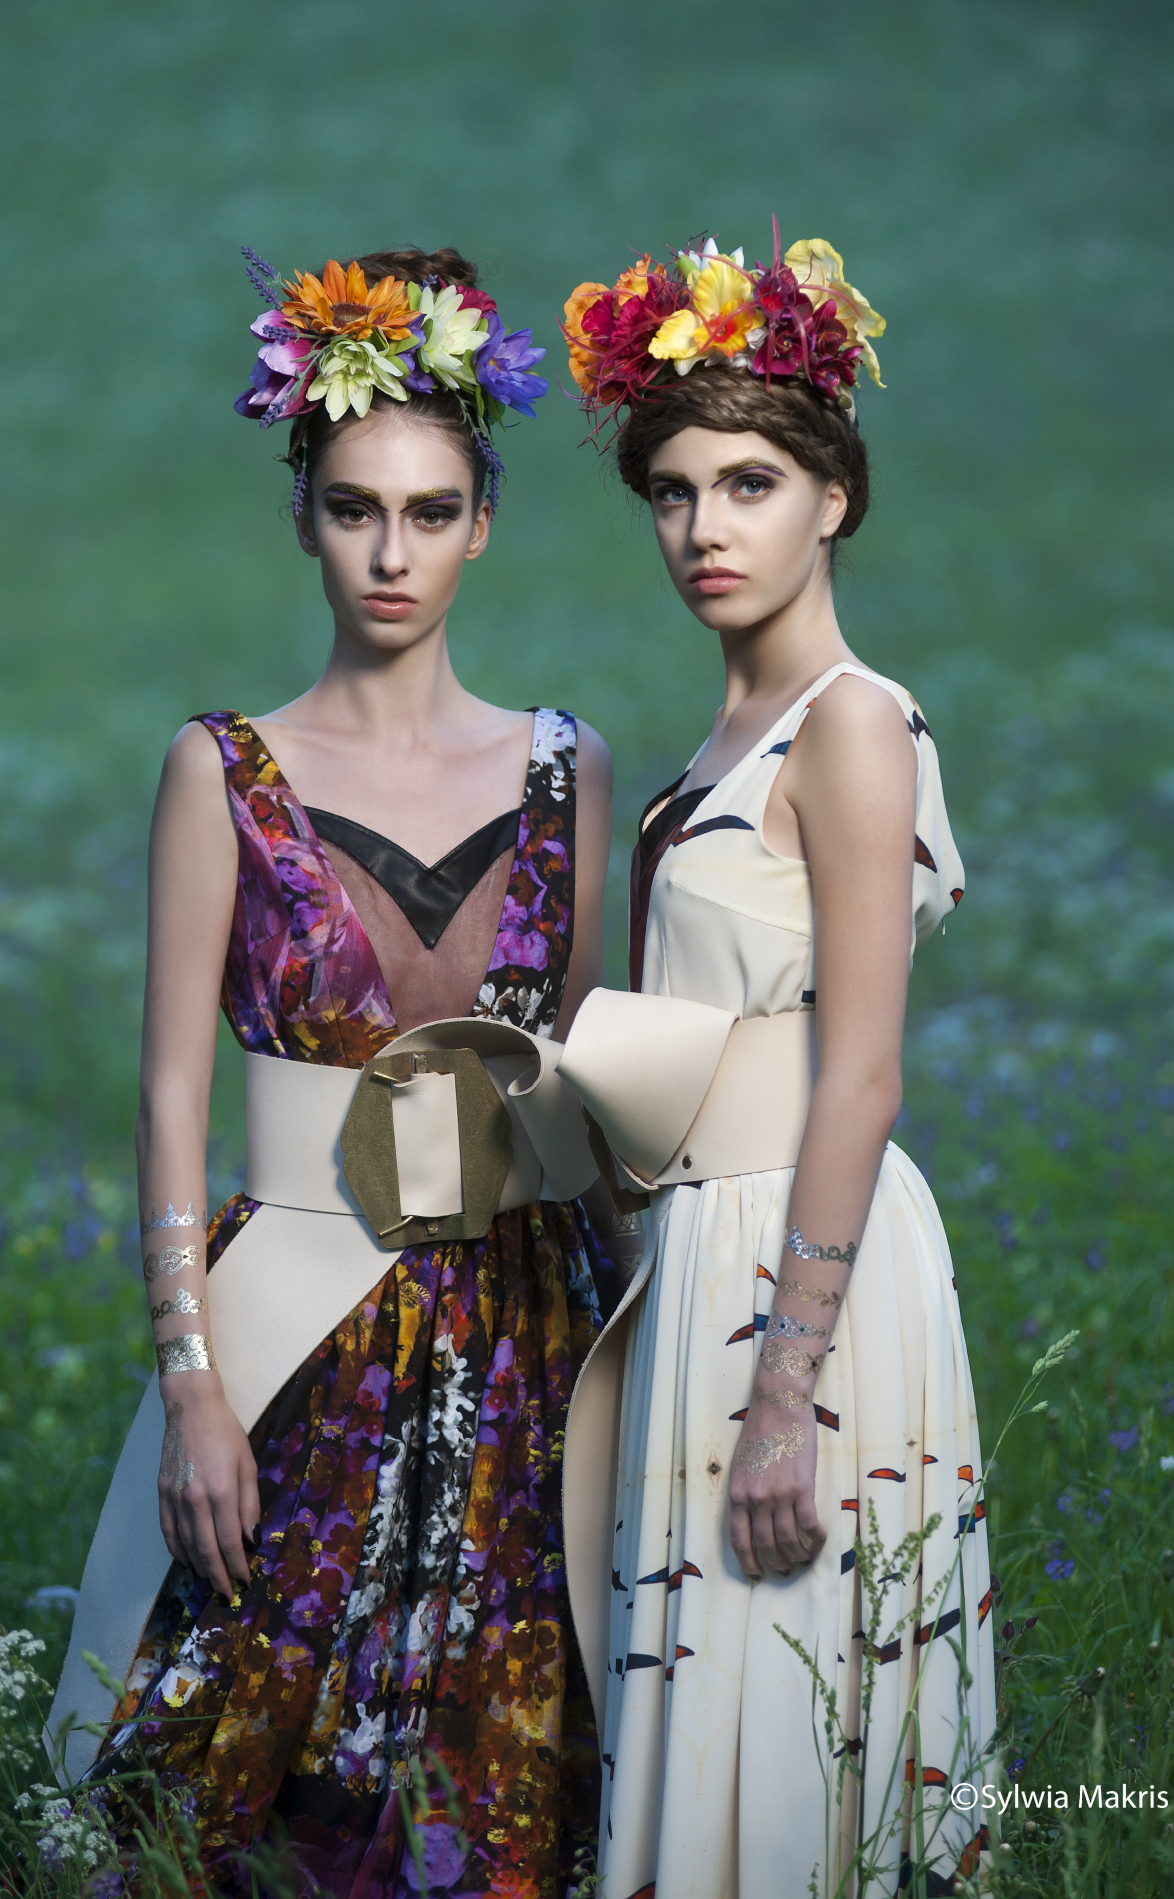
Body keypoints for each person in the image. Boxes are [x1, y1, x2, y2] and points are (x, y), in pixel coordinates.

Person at [52, 244, 618, 1896]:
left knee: (510, 1774)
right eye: (357, 507)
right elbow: (168, 1097)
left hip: (527, 1327)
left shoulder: (567, 765)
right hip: (298, 1320)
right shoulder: (221, 768)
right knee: (240, 1778)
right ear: (302, 513)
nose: (392, 550)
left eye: (431, 512)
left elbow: (583, 1099)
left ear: (484, 526)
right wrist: (191, 1385)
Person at [556, 232, 994, 1897]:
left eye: (748, 482)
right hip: (694, 1249)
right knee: (702, 1702)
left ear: (836, 499)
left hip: (798, 1266)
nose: (702, 529)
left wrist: (784, 1396)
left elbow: (862, 1072)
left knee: (797, 1700)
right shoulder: (716, 745)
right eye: (670, 492)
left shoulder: (852, 723)